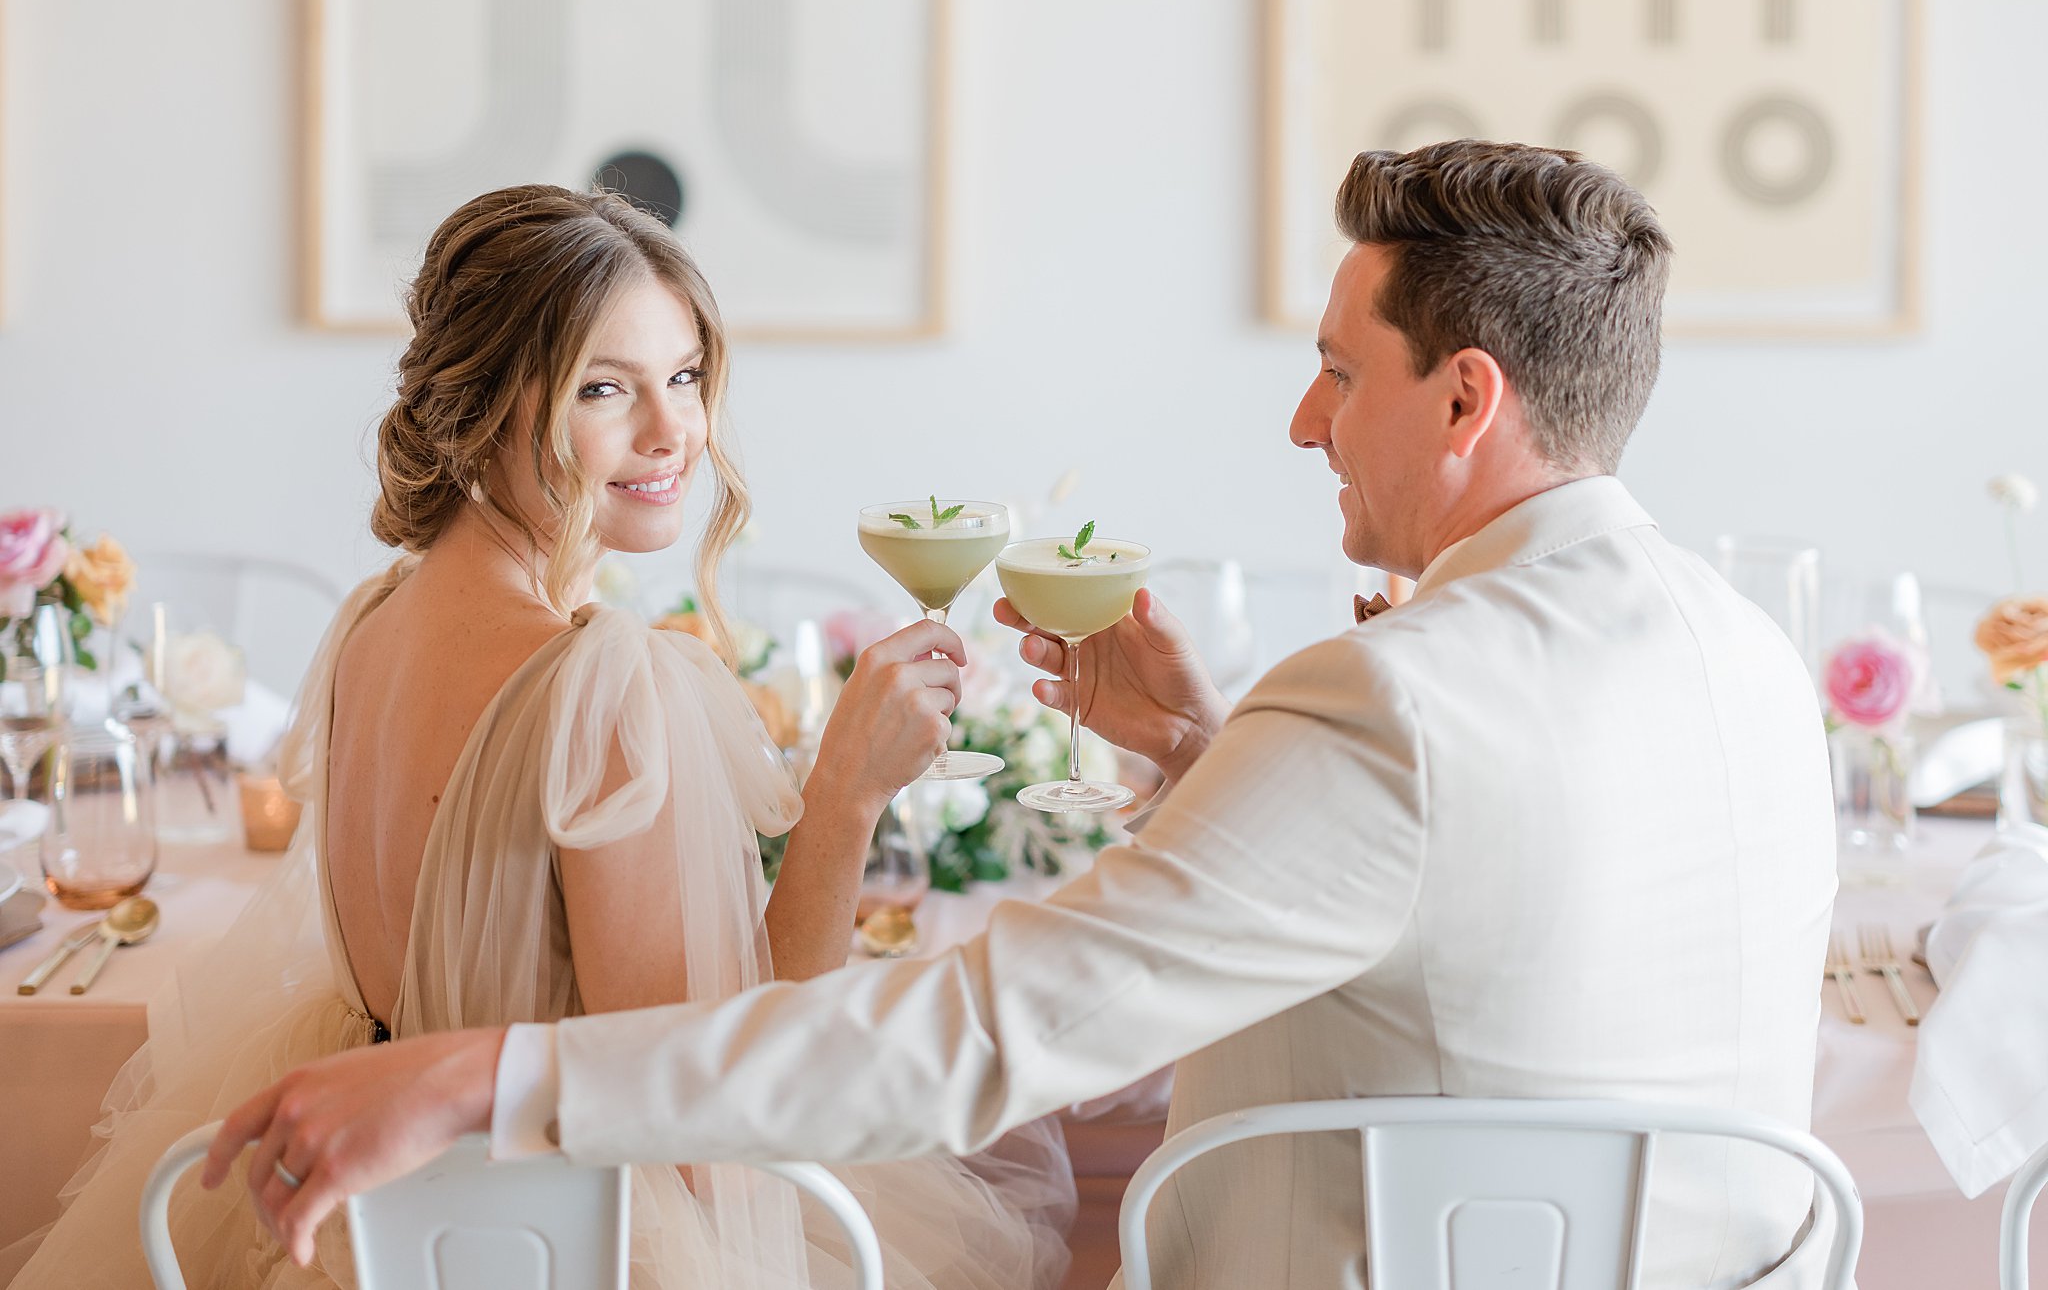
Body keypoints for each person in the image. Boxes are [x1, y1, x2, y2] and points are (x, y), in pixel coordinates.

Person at [205, 142, 1838, 1289]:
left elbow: (978, 1035)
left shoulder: (1390, 697)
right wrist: (1210, 763)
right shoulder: (1745, 650)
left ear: (1465, 397)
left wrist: (472, 1080)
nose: (1299, 420)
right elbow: (1475, 888)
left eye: (1338, 371)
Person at [6, 186, 1074, 1289]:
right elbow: (715, 1130)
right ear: (486, 407)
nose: (672, 431)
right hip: (553, 1242)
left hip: (376, 1231)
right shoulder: (600, 684)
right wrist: (847, 791)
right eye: (603, 389)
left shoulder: (372, 620)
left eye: (685, 376)